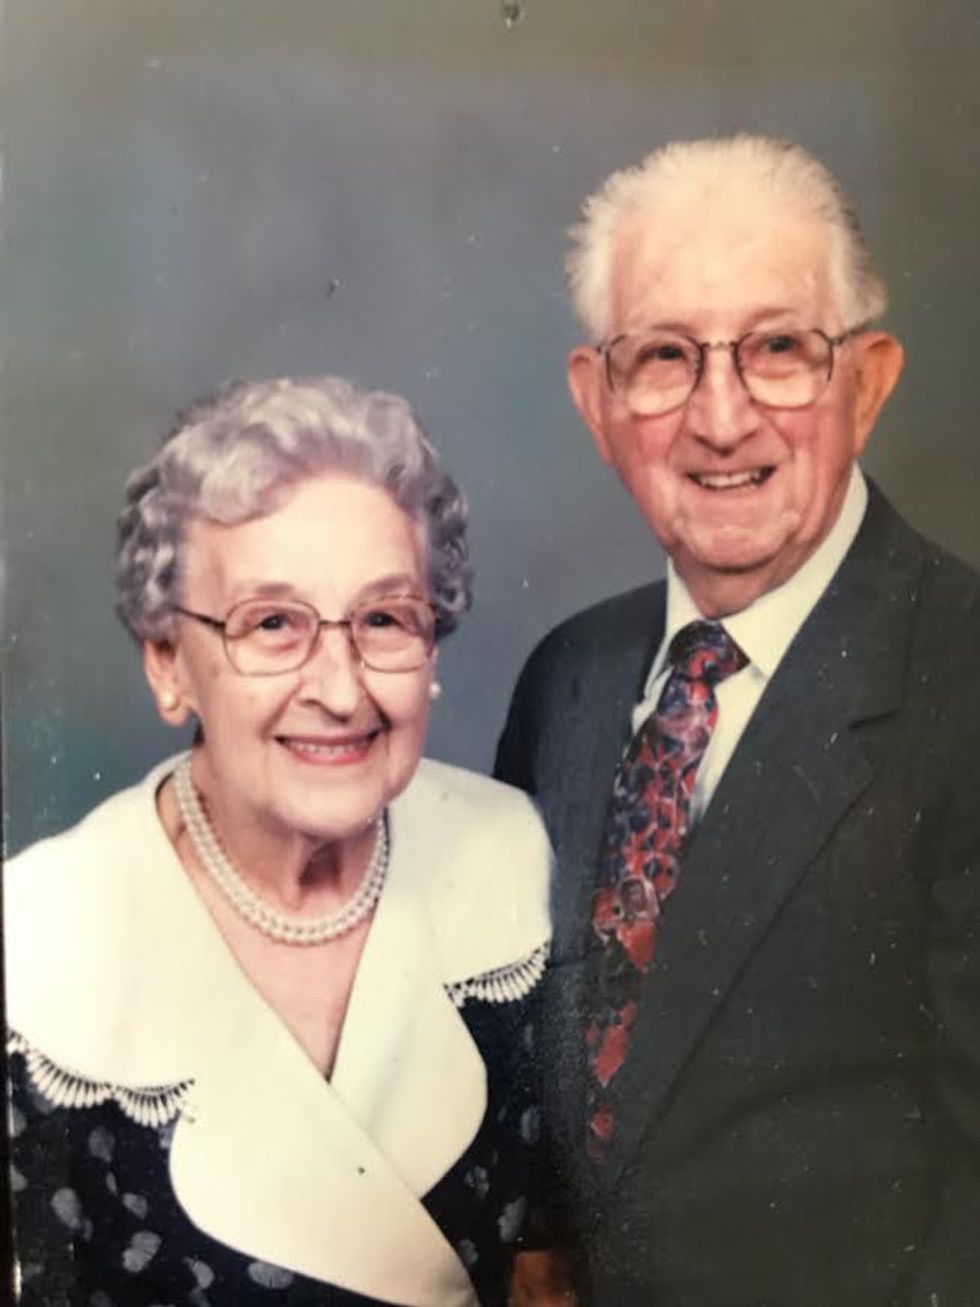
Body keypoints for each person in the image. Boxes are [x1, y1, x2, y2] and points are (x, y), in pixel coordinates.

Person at [496, 136, 980, 1304]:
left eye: (776, 349)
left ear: (865, 383)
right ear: (596, 401)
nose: (720, 420)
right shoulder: (567, 676)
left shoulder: (959, 673)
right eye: (663, 356)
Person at [5, 376, 551, 1307]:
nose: (339, 689)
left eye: (385, 619)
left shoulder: (514, 863)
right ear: (168, 662)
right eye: (272, 624)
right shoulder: (40, 947)